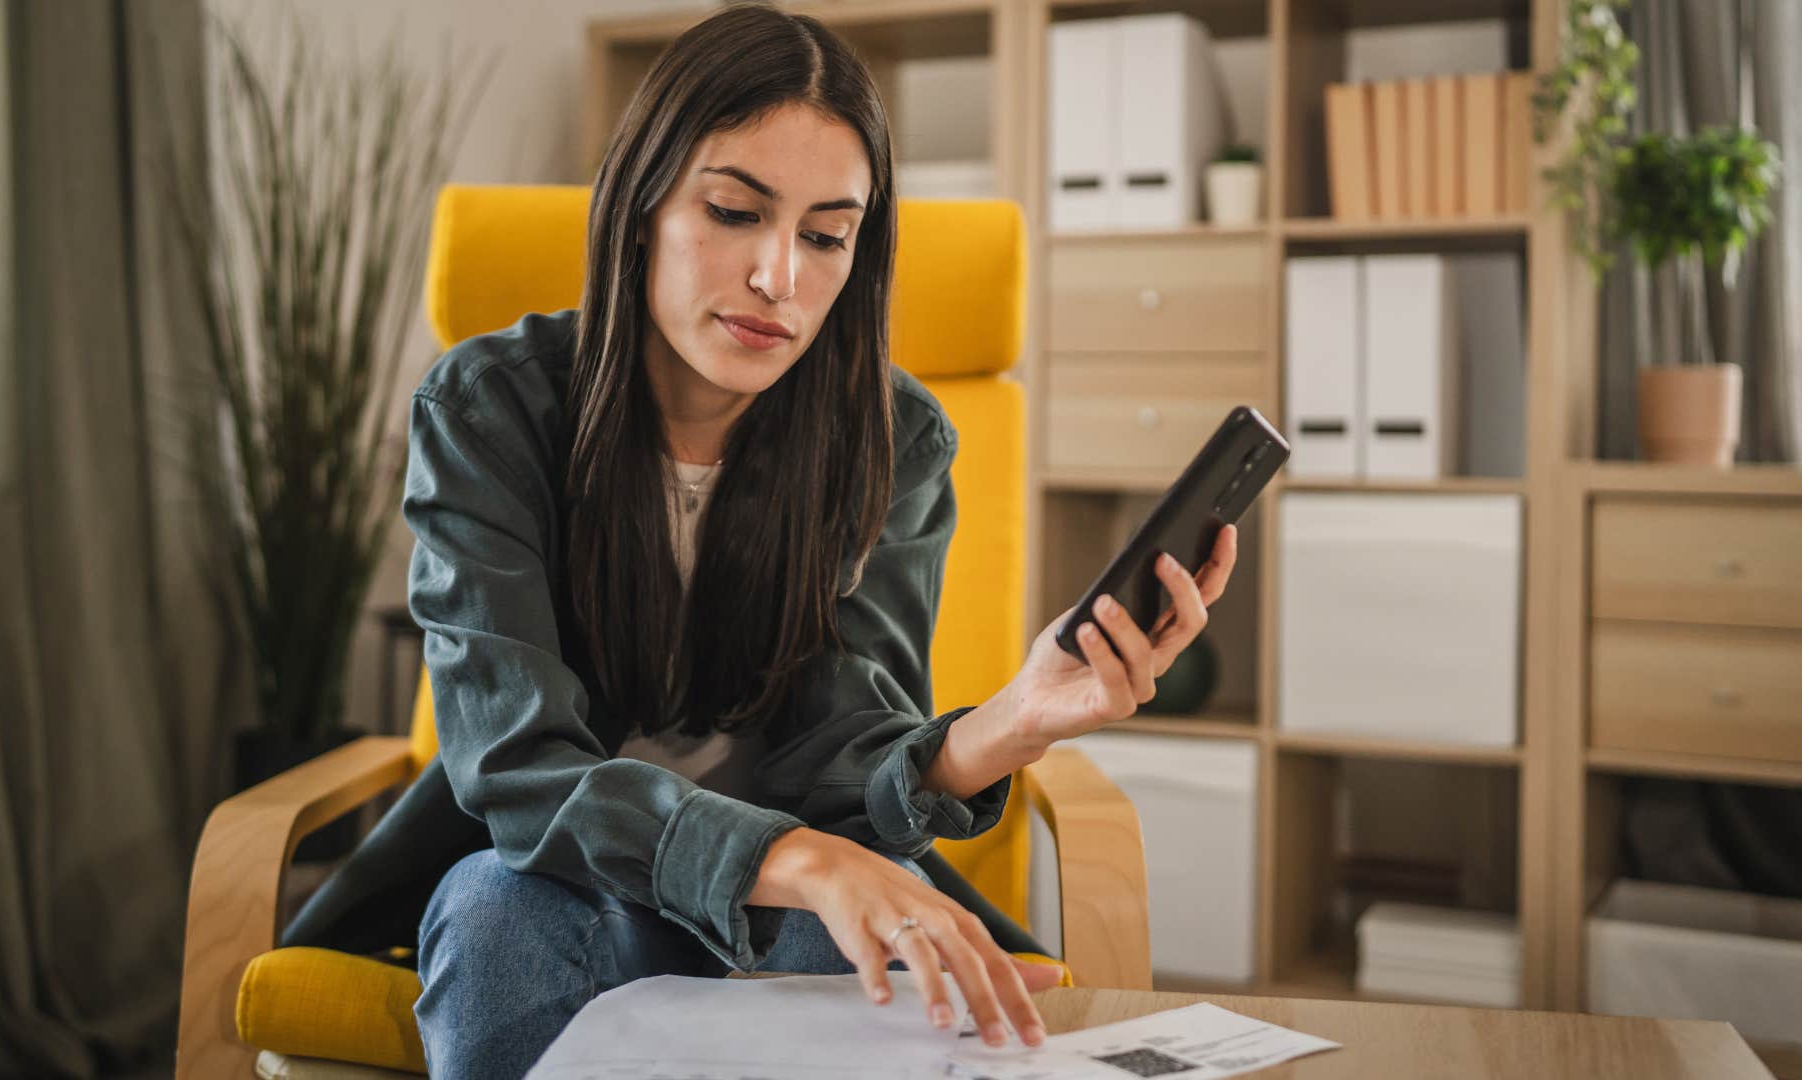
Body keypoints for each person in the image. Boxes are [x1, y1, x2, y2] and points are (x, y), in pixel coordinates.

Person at [288, 4, 1238, 1075]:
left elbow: (841, 752)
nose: (780, 276)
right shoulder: (488, 411)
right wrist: (790, 858)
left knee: (890, 931)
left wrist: (1005, 725)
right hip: (562, 881)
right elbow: (514, 765)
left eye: (827, 236)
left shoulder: (895, 439)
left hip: (799, 893)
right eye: (736, 212)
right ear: (642, 203)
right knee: (499, 915)